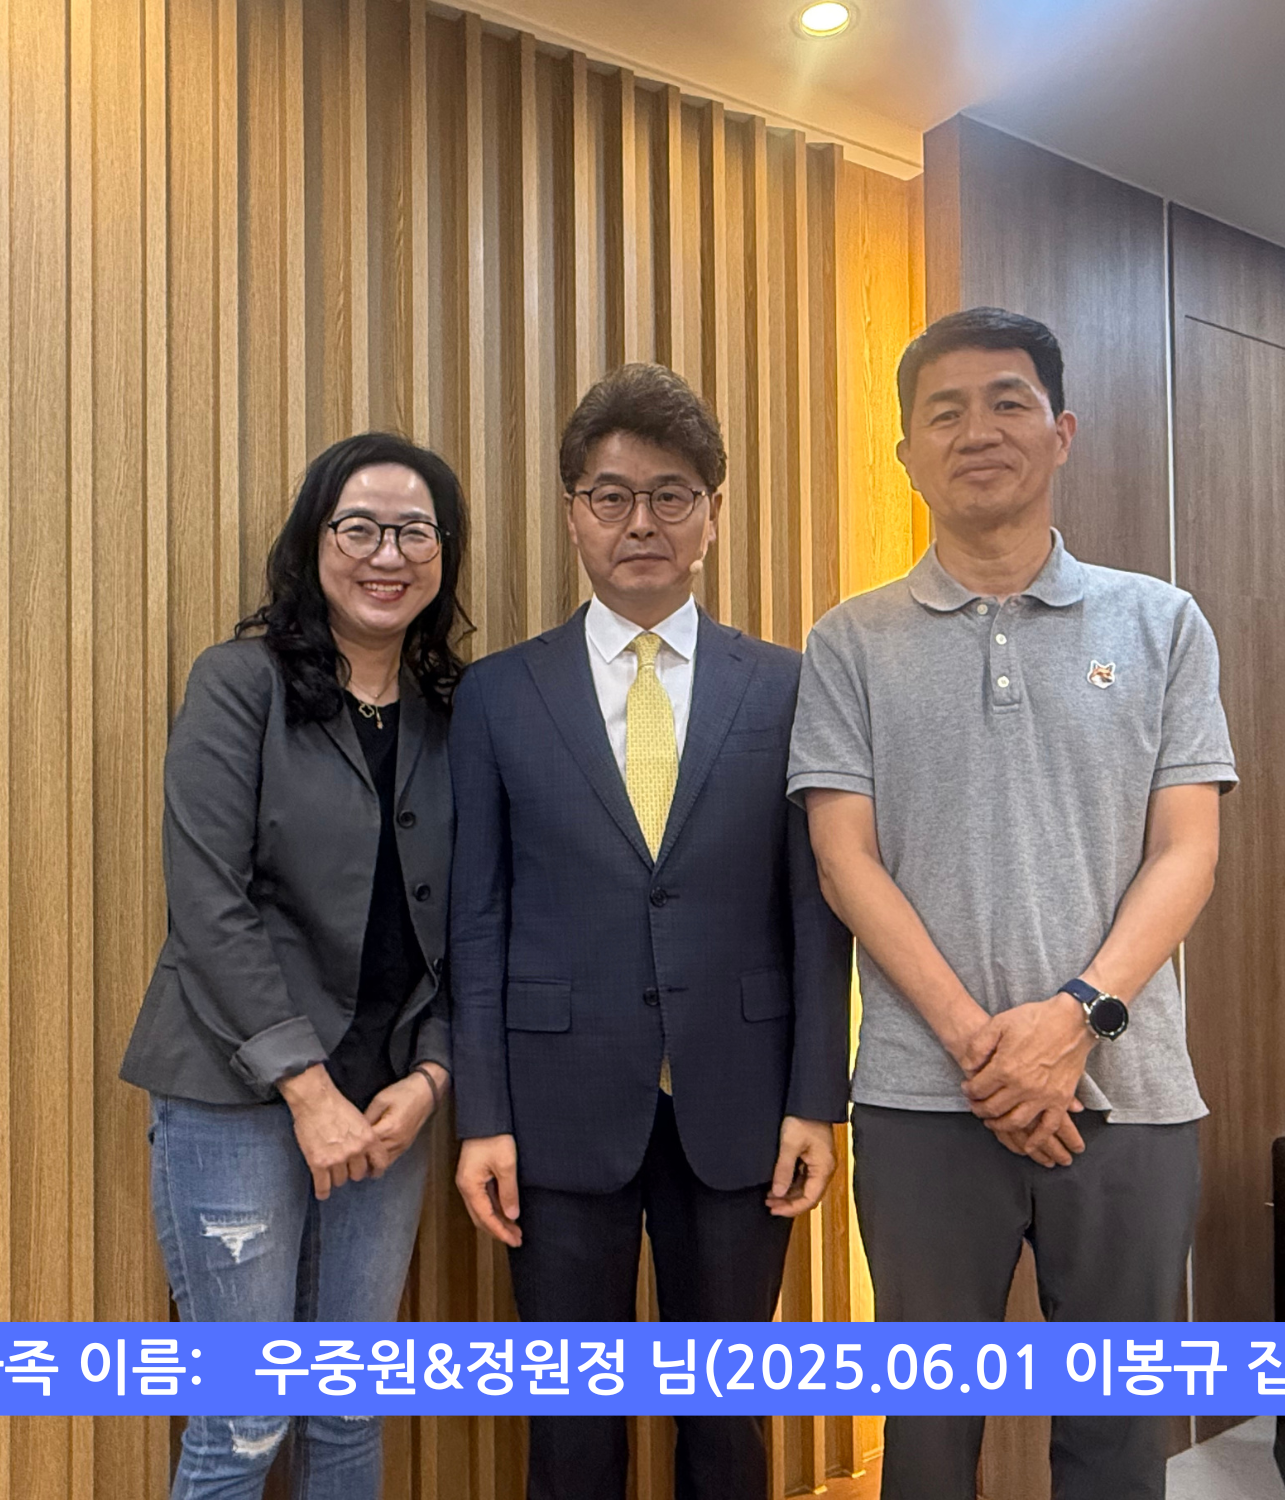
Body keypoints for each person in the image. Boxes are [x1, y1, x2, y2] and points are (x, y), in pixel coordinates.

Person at [789, 309, 1237, 1500]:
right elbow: (844, 862)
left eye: (1005, 402)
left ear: (1060, 432)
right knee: (927, 1440)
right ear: (906, 454)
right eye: (943, 411)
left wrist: (1072, 1019)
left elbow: (1185, 851)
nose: (975, 430)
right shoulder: (847, 643)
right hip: (921, 1102)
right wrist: (987, 1055)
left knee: (1115, 1440)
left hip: (1128, 1098)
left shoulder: (1161, 623)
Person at [448, 363, 852, 1500]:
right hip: (553, 1102)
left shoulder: (788, 686)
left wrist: (816, 1100)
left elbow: (815, 908)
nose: (641, 522)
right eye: (612, 495)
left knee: (727, 1423)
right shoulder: (497, 695)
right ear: (573, 512)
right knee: (570, 1427)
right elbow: (477, 922)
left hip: (741, 1101)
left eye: (671, 495)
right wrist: (483, 1118)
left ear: (712, 515)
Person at [119, 432, 469, 1499]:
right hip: (236, 1093)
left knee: (348, 1408)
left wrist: (432, 1077)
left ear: (444, 554)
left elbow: (473, 919)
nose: (387, 554)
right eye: (359, 527)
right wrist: (307, 1092)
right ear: (313, 541)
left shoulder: (455, 714)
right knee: (244, 1417)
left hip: (388, 1102)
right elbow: (206, 903)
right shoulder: (240, 685)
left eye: (414, 532)